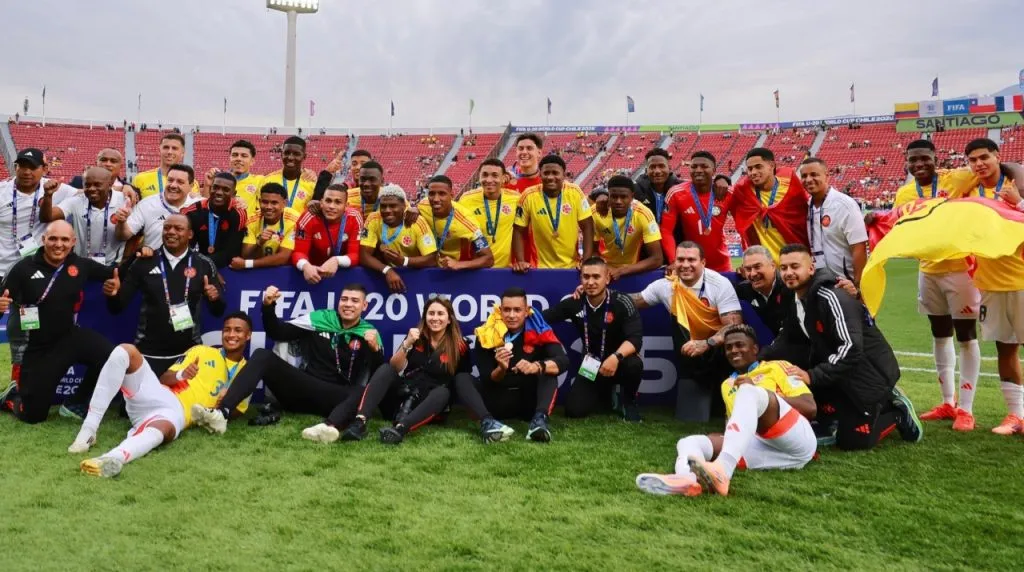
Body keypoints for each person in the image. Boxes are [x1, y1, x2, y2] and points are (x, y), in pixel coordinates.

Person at [762, 244, 922, 450]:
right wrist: (758, 360)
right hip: (838, 374)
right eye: (783, 268)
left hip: (867, 375)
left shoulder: (832, 297)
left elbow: (851, 348)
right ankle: (837, 416)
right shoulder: (795, 299)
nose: (789, 273)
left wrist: (812, 376)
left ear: (811, 268)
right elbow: (787, 340)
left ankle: (895, 410)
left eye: (795, 266)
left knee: (853, 442)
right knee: (826, 422)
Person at [635, 325, 816, 497]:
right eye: (729, 347)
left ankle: (723, 470)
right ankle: (687, 479)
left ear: (755, 349)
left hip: (796, 444)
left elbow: (810, 408)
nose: (734, 350)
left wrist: (763, 394)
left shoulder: (777, 367)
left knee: (750, 391)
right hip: (764, 451)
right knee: (690, 441)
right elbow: (736, 428)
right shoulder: (727, 384)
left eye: (740, 345)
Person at [68, 313, 253, 478]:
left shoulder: (247, 372)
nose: (231, 335)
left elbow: (238, 412)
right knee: (125, 351)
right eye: (227, 329)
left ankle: (111, 458)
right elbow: (164, 378)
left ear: (248, 335)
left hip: (177, 414)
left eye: (238, 331)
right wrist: (182, 374)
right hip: (159, 394)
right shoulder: (203, 351)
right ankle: (88, 430)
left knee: (162, 431)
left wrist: (225, 403)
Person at [191, 284, 385, 434]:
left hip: (335, 398)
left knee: (360, 391)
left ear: (364, 305)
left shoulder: (368, 333)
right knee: (263, 355)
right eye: (344, 299)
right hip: (303, 390)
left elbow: (378, 376)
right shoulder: (320, 319)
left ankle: (328, 427)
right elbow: (278, 332)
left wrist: (375, 350)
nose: (348, 304)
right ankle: (221, 413)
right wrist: (268, 306)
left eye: (354, 301)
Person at [885, 139, 981, 430]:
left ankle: (966, 408)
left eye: (924, 158)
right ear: (906, 162)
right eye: (913, 160)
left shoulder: (957, 178)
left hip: (960, 269)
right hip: (927, 270)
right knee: (939, 334)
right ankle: (947, 401)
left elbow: (995, 169)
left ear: (935, 158)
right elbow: (900, 226)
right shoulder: (904, 193)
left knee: (966, 335)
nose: (919, 165)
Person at [0, 221, 118, 423]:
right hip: (37, 348)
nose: (58, 244)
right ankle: (12, 396)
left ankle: (75, 403)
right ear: (43, 239)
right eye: (53, 238)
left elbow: (117, 272)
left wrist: (121, 275)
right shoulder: (22, 268)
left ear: (73, 242)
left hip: (69, 337)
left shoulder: (80, 265)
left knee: (114, 358)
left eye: (65, 240)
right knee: (34, 416)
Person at [947, 138, 1024, 434]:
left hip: (1020, 280)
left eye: (984, 158)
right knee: (1006, 350)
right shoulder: (970, 191)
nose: (979, 164)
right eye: (973, 160)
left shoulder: (1016, 184)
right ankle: (1015, 416)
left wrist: (1018, 203)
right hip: (990, 284)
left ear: (997, 156)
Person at [334, 297, 473, 444]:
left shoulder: (460, 345)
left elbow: (461, 382)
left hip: (427, 406)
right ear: (425, 316)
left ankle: (400, 430)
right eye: (431, 313)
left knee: (444, 392)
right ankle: (359, 423)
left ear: (449, 319)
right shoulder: (415, 336)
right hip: (402, 399)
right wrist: (407, 343)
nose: (435, 318)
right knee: (386, 369)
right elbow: (396, 367)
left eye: (440, 314)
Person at [632, 242, 743, 419]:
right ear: (674, 262)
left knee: (738, 340)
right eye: (680, 259)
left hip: (718, 349)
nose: (685, 265)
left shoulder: (719, 284)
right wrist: (600, 293)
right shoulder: (665, 286)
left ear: (703, 262)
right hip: (690, 351)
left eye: (691, 260)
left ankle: (731, 395)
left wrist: (707, 343)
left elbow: (734, 326)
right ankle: (694, 397)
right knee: (678, 326)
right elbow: (635, 301)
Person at [0, 149, 77, 399]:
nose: (26, 171)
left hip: (35, 269)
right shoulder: (2, 191)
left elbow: (90, 191)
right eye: (21, 165)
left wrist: (125, 190)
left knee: (26, 323)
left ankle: (23, 380)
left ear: (44, 169)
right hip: (2, 267)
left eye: (32, 166)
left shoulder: (57, 189)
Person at [106, 214, 225, 375]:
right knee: (140, 400)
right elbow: (117, 308)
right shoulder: (144, 261)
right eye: (167, 228)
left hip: (187, 353)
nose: (171, 232)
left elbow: (218, 311)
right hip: (147, 352)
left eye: (178, 228)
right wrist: (112, 295)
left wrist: (215, 298)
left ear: (190, 234)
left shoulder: (203, 263)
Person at [460, 287, 569, 442]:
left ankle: (539, 421)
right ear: (500, 311)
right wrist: (501, 368)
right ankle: (488, 423)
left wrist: (536, 366)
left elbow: (563, 361)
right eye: (507, 310)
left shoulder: (539, 331)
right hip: (497, 400)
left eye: (517, 310)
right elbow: (487, 379)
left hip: (528, 403)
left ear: (526, 311)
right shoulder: (486, 334)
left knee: (548, 371)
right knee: (462, 378)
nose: (511, 315)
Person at [544, 257, 644, 421]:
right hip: (591, 364)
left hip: (619, 362)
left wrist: (615, 357)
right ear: (580, 279)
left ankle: (629, 401)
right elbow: (544, 317)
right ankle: (606, 394)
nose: (590, 282)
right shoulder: (574, 302)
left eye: (596, 277)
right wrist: (525, 313)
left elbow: (635, 339)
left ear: (607, 278)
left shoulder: (622, 301)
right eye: (586, 277)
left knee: (634, 364)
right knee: (573, 411)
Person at [512, 155, 595, 270]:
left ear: (564, 175)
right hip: (539, 268)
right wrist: (520, 261)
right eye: (546, 173)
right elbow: (518, 230)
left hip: (572, 267)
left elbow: (588, 226)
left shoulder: (575, 192)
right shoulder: (528, 195)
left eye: (555, 173)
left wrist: (586, 261)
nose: (551, 177)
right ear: (540, 174)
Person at [728, 148, 809, 260]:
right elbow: (724, 196)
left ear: (771, 165)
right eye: (750, 169)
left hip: (794, 262)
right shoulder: (743, 191)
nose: (753, 172)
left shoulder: (790, 186)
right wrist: (721, 179)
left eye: (758, 167)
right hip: (765, 267)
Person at [40, 166, 130, 265]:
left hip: (111, 264)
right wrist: (48, 196)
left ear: (110, 184)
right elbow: (46, 217)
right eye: (87, 185)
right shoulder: (76, 201)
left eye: (97, 185)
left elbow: (132, 235)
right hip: (80, 264)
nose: (91, 189)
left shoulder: (124, 201)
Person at [661, 151, 733, 273]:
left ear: (714, 171)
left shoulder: (727, 193)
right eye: (694, 167)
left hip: (721, 264)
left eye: (704, 166)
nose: (698, 170)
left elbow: (745, 227)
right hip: (689, 265)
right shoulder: (676, 193)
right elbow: (666, 230)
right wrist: (674, 261)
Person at [799, 157, 868, 284]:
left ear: (827, 176)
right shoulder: (806, 207)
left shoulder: (845, 205)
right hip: (817, 282)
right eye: (804, 176)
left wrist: (858, 286)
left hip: (845, 283)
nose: (808, 179)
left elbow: (859, 247)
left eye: (814, 174)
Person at [359, 185, 437, 293]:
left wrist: (404, 261)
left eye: (393, 206)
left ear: (404, 206)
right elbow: (364, 256)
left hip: (416, 275)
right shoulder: (372, 219)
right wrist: (387, 270)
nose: (387, 210)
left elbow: (432, 259)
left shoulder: (417, 222)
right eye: (383, 206)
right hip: (387, 275)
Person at [415, 175, 494, 270]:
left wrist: (458, 264)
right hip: (429, 267)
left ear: (451, 195)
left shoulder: (466, 221)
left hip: (455, 272)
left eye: (442, 194)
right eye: (431, 194)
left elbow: (488, 259)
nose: (435, 199)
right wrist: (414, 210)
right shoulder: (423, 205)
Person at [591, 175, 663, 278]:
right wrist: (605, 267)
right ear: (608, 196)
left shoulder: (643, 214)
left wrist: (621, 271)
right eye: (614, 197)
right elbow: (592, 251)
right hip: (604, 269)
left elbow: (657, 259)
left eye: (624, 197)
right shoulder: (596, 212)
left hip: (633, 270)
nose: (618, 201)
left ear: (632, 197)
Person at [117, 163, 200, 250]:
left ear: (191, 186)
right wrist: (121, 222)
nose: (173, 185)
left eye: (180, 182)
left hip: (189, 262)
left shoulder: (199, 206)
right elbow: (123, 235)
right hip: (154, 260)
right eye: (170, 180)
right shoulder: (147, 204)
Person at [291, 184, 362, 285]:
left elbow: (355, 255)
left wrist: (336, 260)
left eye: (338, 202)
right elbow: (298, 252)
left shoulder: (354, 217)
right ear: (321, 202)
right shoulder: (308, 217)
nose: (331, 206)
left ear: (346, 206)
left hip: (342, 275)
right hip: (312, 273)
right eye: (328, 201)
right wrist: (306, 266)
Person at [456, 159, 521, 268]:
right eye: (484, 175)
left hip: (505, 269)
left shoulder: (516, 199)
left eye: (495, 175)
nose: (489, 180)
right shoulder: (466, 199)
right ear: (479, 176)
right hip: (476, 269)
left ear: (503, 178)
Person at [180, 172, 247, 268]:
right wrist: (205, 268)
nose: (219, 192)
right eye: (215, 187)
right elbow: (186, 247)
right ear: (210, 188)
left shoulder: (238, 213)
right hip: (199, 263)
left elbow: (232, 251)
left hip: (227, 266)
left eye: (226, 190)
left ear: (234, 194)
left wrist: (209, 267)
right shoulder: (193, 212)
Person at [232, 182, 300, 269]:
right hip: (259, 270)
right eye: (265, 202)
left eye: (274, 203)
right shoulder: (252, 220)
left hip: (285, 270)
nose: (268, 207)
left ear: (284, 203)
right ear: (259, 201)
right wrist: (259, 243)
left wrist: (247, 264)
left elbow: (283, 257)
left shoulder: (294, 220)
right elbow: (246, 255)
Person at [735, 245, 787, 336]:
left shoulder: (789, 287)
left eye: (757, 267)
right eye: (748, 269)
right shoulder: (741, 291)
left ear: (773, 266)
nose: (753, 273)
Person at [205, 139, 262, 221]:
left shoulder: (259, 180)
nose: (238, 158)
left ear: (252, 161)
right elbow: (206, 206)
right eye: (235, 155)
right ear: (230, 158)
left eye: (244, 156)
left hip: (247, 230)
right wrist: (207, 185)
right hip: (220, 227)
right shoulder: (219, 179)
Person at [132, 133, 200, 199]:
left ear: (182, 153)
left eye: (174, 148)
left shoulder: (192, 183)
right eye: (166, 147)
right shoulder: (140, 179)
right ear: (159, 150)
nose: (169, 152)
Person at [263, 135, 316, 212]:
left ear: (304, 157)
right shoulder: (268, 180)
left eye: (296, 154)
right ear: (281, 154)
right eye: (287, 153)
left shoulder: (311, 183)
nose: (290, 157)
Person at [68, 148, 139, 202]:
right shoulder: (78, 181)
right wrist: (117, 189)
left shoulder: (132, 189)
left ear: (121, 166)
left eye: (113, 161)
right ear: (96, 163)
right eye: (103, 160)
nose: (108, 164)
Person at [634, 148, 681, 224]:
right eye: (652, 167)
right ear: (646, 171)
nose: (657, 171)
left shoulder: (680, 189)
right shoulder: (636, 190)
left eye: (661, 166)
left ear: (669, 168)